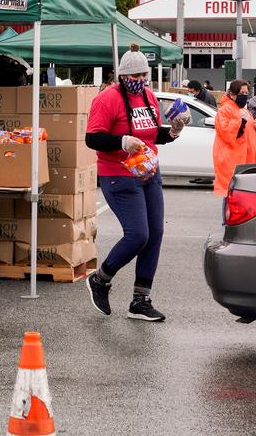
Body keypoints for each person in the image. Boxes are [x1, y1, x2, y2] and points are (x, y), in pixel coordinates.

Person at [84, 43, 191, 322]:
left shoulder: (148, 97)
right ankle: (101, 278)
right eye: (134, 76)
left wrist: (176, 130)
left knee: (155, 234)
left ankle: (140, 300)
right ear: (122, 76)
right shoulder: (107, 99)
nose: (140, 81)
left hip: (148, 172)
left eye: (144, 75)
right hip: (118, 173)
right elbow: (92, 138)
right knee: (138, 235)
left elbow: (153, 135)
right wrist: (121, 141)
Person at [212, 79, 256, 197]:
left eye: (246, 93)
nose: (244, 96)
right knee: (231, 196)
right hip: (233, 161)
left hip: (245, 161)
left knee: (241, 197)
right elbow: (226, 133)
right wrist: (241, 122)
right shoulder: (225, 110)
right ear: (232, 95)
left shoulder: (244, 110)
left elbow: (248, 134)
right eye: (241, 93)